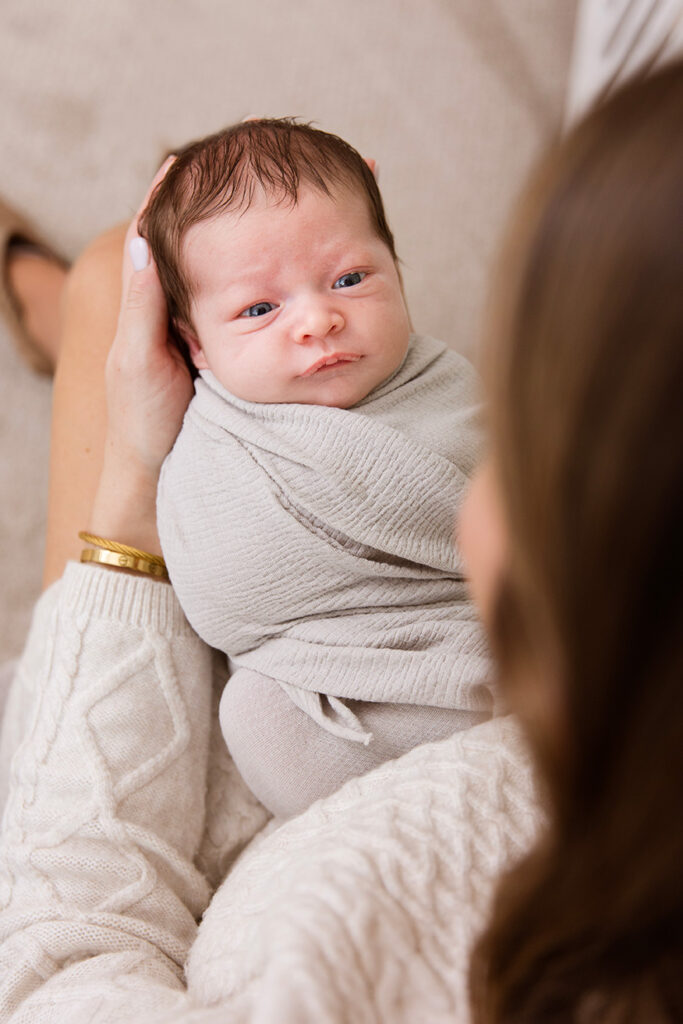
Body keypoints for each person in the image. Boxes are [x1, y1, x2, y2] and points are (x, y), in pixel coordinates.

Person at [0, 61, 681, 1024]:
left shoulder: (353, 942)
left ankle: (53, 298)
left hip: (212, 795)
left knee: (117, 277)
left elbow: (54, 972)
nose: (320, 318)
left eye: (529, 420)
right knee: (140, 269)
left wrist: (130, 495)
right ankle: (61, 298)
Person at [139, 119, 491, 817]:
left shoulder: (441, 381)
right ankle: (387, 824)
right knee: (256, 716)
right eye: (259, 308)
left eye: (350, 278)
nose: (317, 320)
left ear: (396, 268)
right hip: (340, 682)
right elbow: (221, 601)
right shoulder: (215, 440)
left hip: (483, 636)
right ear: (196, 346)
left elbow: (523, 490)